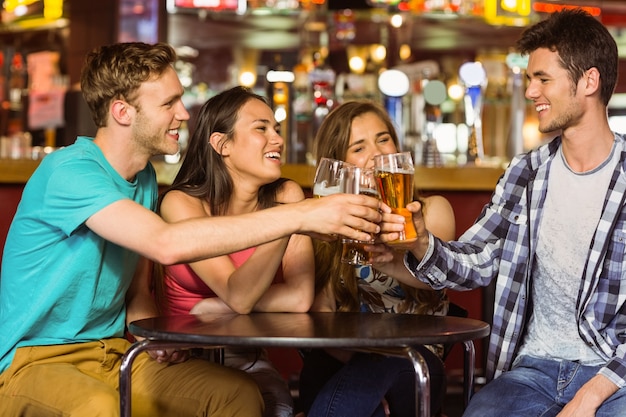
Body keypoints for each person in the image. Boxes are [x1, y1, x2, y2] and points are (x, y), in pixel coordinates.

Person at [0, 42, 390, 417]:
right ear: (122, 111)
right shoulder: (69, 172)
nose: (184, 114)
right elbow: (165, 244)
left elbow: (136, 291)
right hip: (34, 359)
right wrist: (299, 215)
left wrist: (154, 337)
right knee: (100, 409)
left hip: (114, 353)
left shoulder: (144, 179)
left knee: (238, 395)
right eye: (169, 103)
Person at [378, 9, 626, 417]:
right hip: (533, 369)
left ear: (589, 81)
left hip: (613, 374)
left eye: (542, 79)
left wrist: (590, 396)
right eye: (530, 79)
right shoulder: (526, 172)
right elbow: (477, 259)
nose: (530, 92)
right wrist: (422, 242)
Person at [157, 86, 316, 417]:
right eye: (261, 128)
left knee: (279, 409)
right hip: (180, 358)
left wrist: (214, 309)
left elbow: (300, 298)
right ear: (222, 144)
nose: (277, 139)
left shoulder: (286, 194)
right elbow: (239, 296)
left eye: (276, 128)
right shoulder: (182, 204)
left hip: (249, 357)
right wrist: (288, 219)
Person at [297, 100, 456, 417]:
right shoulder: (326, 226)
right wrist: (365, 379)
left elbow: (434, 281)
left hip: (415, 362)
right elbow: (319, 315)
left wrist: (391, 258)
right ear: (339, 163)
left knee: (384, 362)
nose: (376, 153)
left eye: (383, 139)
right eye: (359, 147)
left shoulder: (431, 211)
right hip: (343, 360)